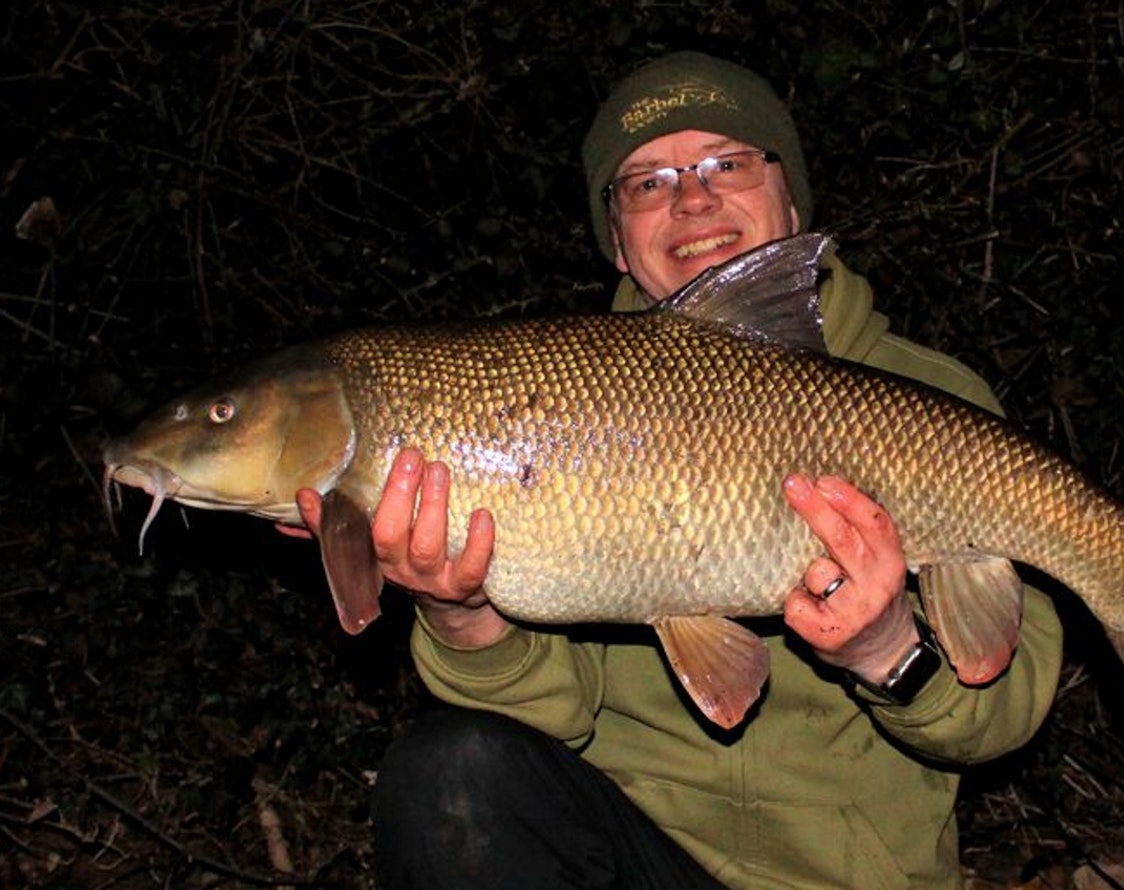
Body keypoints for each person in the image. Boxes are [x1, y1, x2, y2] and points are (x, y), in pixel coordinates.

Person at [296, 51, 1063, 889]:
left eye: (727, 164)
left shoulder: (929, 398)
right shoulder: (548, 404)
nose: (692, 198)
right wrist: (463, 615)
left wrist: (890, 651)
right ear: (618, 241)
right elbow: (546, 726)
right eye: (648, 182)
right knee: (449, 774)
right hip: (640, 863)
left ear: (793, 195)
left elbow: (1001, 718)